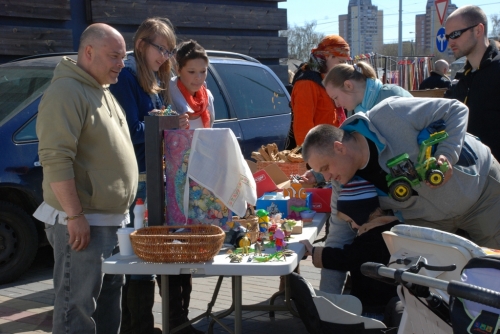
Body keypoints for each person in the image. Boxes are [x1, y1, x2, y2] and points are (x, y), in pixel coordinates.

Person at [302, 96, 500, 294]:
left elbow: (455, 108)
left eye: (326, 167)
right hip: (435, 223)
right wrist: (328, 302)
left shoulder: (390, 113)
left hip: (482, 194)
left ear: (339, 147)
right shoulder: (341, 183)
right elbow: (338, 239)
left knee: (494, 273)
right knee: (451, 290)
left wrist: (448, 154)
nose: (327, 177)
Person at [33, 23, 137, 333]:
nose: (121, 64)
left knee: (106, 308)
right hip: (82, 223)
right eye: (114, 56)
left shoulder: (99, 89)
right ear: (88, 52)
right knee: (76, 310)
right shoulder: (66, 91)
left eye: (123, 57)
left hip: (108, 221)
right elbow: (55, 158)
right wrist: (75, 215)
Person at [108, 18, 197, 334]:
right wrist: (167, 123)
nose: (166, 56)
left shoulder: (155, 81)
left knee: (166, 251)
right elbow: (130, 131)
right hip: (140, 179)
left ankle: (174, 323)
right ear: (142, 44)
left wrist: (171, 122)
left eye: (170, 50)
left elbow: (154, 124)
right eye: (162, 48)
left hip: (157, 177)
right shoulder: (127, 79)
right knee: (143, 259)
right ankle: (139, 328)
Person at [301, 61, 411, 293]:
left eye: (335, 97)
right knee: (341, 239)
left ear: (348, 85)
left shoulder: (390, 99)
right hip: (363, 186)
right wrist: (320, 172)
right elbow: (339, 151)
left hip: (399, 195)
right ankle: (329, 304)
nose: (335, 104)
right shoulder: (354, 116)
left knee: (367, 248)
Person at [300, 177, 399, 320]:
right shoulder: (392, 229)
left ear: (360, 213)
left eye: (351, 221)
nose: (352, 226)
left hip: (371, 307)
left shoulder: (369, 239)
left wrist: (314, 251)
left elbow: (345, 258)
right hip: (389, 301)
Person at [444, 5, 500, 159]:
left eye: (455, 34)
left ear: (478, 30)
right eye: (447, 36)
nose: (450, 43)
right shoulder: (461, 78)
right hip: (470, 175)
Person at [290, 35, 350, 147]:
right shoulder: (307, 83)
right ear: (327, 56)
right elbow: (303, 128)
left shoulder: (327, 80)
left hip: (331, 150)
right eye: (340, 61)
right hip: (318, 154)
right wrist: (309, 160)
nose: (343, 66)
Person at [323, 61, 412, 118]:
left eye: (336, 97)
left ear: (348, 85)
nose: (337, 104)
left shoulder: (393, 96)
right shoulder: (359, 110)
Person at [169, 39, 214, 128]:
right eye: (191, 72)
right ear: (178, 69)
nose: (198, 77)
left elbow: (211, 133)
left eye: (203, 71)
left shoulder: (207, 97)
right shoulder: (168, 95)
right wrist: (172, 125)